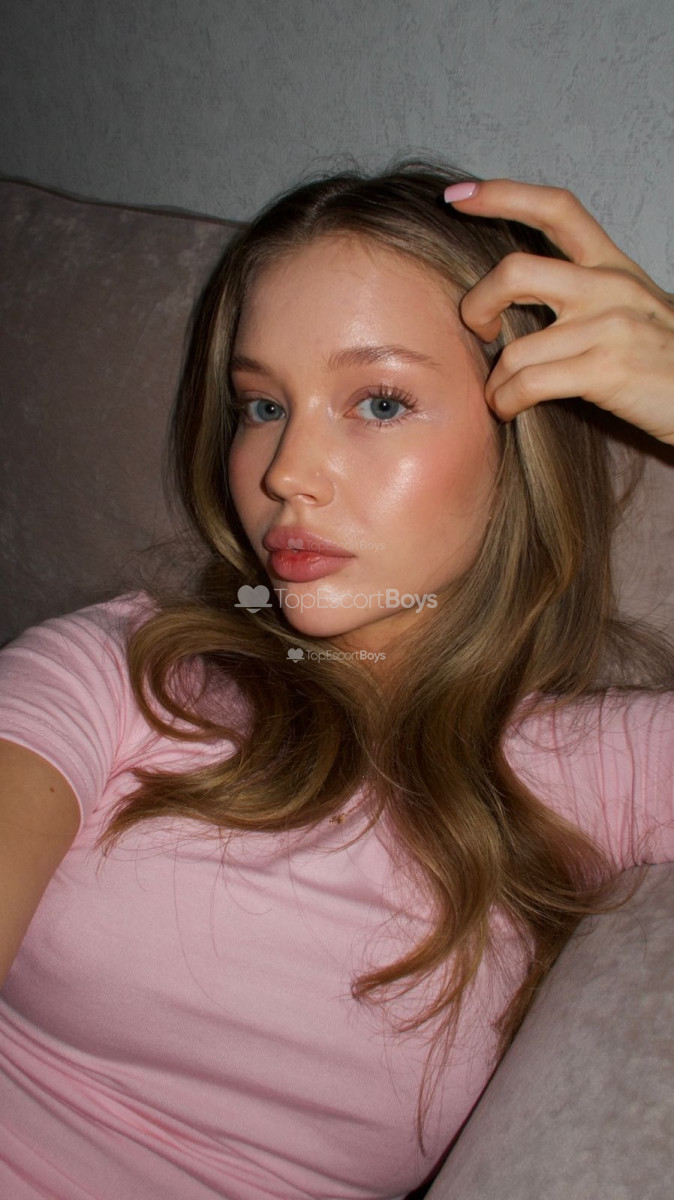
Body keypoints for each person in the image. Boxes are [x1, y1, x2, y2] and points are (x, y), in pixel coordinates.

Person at [0, 161, 672, 1200]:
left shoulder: (591, 774)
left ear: (521, 444)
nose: (285, 471)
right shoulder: (120, 673)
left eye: (380, 401)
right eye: (262, 405)